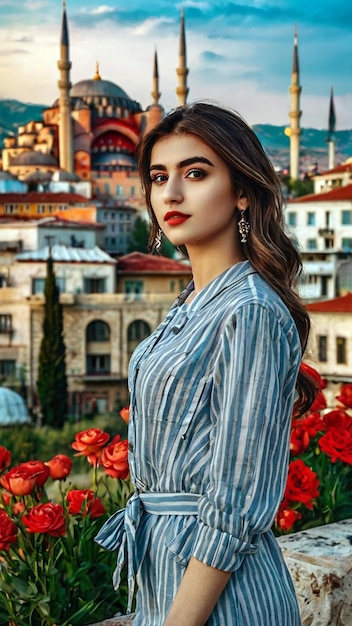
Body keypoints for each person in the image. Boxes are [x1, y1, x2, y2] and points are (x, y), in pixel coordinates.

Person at [96, 101, 317, 626]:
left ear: (242, 191)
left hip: (221, 599)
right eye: (158, 177)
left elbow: (237, 499)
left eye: (195, 173)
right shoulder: (190, 304)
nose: (170, 193)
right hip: (166, 577)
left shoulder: (250, 311)